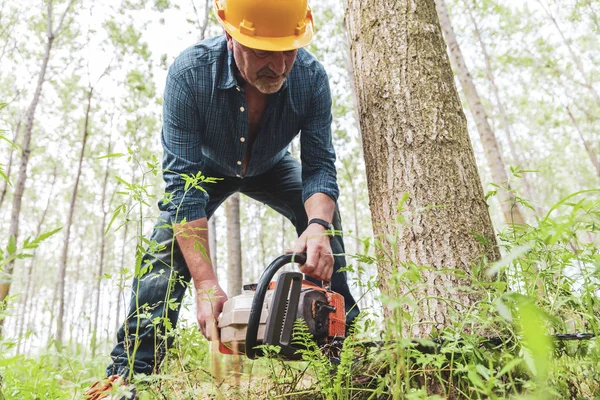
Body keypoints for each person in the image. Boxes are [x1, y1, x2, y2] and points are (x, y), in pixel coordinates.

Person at [86, 0, 358, 397]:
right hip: (205, 170)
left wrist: (317, 228)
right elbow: (182, 188)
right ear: (231, 36)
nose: (279, 65)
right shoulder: (190, 74)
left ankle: (342, 354)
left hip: (272, 165)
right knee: (166, 245)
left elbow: (319, 167)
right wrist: (207, 282)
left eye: (288, 50)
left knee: (325, 222)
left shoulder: (312, 78)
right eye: (264, 51)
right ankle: (131, 374)